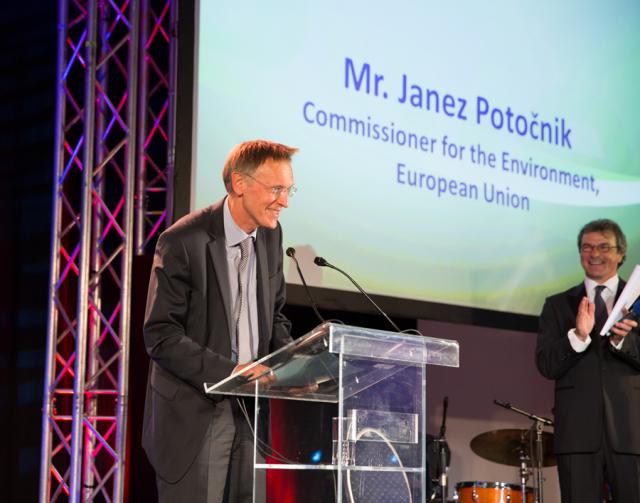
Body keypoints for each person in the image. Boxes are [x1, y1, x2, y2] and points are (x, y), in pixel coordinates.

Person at [142, 140, 297, 502]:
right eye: (276, 189)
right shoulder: (182, 241)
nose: (284, 201)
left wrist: (296, 367)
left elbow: (273, 318)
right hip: (196, 414)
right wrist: (230, 372)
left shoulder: (271, 237)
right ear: (240, 184)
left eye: (289, 190)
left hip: (251, 413)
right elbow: (161, 335)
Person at [535, 219, 640, 502]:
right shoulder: (557, 305)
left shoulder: (638, 302)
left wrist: (623, 340)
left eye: (604, 247)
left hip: (633, 432)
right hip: (578, 435)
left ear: (621, 253)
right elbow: (546, 364)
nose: (594, 254)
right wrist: (578, 336)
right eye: (587, 248)